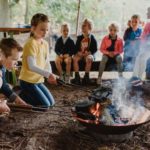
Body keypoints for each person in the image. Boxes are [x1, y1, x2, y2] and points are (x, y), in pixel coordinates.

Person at [19, 13, 56, 107]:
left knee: (51, 103)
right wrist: (47, 74)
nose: (45, 32)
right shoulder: (30, 43)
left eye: (47, 29)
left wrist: (50, 74)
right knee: (45, 106)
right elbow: (31, 66)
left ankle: (26, 95)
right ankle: (21, 97)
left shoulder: (45, 44)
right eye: (42, 29)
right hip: (27, 81)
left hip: (38, 80)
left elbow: (47, 62)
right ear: (33, 28)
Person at [0, 38, 27, 114]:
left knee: (8, 86)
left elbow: (3, 86)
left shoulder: (2, 67)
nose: (16, 63)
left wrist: (17, 99)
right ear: (2, 55)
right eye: (14, 59)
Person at [73, 18, 97, 85]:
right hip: (80, 54)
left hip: (88, 54)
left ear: (89, 27)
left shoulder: (92, 38)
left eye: (84, 25)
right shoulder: (79, 38)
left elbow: (95, 48)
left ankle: (86, 77)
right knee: (74, 58)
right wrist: (78, 52)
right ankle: (77, 77)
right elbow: (75, 48)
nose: (82, 26)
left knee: (89, 58)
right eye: (82, 25)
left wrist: (89, 52)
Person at [131, 7, 150, 83]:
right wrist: (139, 39)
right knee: (139, 57)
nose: (147, 13)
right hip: (145, 46)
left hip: (148, 46)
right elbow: (143, 36)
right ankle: (136, 77)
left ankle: (138, 77)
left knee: (142, 58)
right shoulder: (148, 24)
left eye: (148, 12)